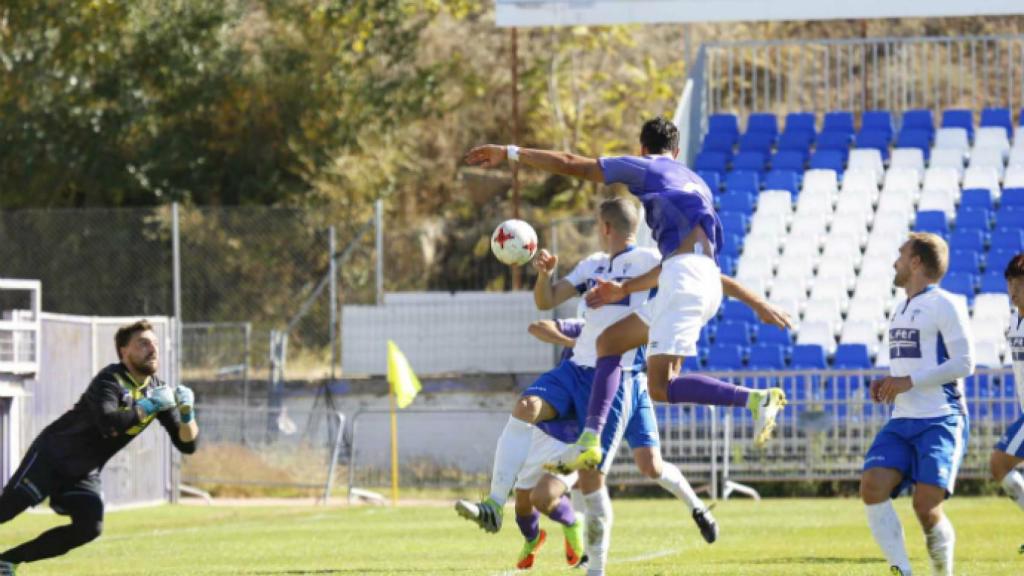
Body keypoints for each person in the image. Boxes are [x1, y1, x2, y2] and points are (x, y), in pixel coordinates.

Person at [456, 197, 773, 575]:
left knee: (625, 470)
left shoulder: (650, 260)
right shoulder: (590, 265)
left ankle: (605, 562)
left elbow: (708, 279)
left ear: (604, 226)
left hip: (617, 378)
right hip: (575, 370)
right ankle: (493, 504)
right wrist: (545, 276)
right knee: (525, 409)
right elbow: (547, 302)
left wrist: (756, 303)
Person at [464, 117, 792, 474]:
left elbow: (573, 163)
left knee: (661, 387)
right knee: (611, 343)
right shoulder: (696, 182)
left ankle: (756, 400)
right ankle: (589, 441)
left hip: (683, 281)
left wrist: (511, 153)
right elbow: (686, 263)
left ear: (642, 149)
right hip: (697, 280)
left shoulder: (646, 167)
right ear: (677, 152)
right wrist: (625, 289)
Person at [0, 320, 199, 575]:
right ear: (124, 351)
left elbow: (187, 444)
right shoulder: (110, 380)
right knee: (6, 510)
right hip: (52, 457)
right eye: (144, 344)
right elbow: (109, 424)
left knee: (89, 526)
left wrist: (187, 414)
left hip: (83, 471)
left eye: (156, 344)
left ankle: (7, 560)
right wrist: (148, 406)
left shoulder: (157, 391)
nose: (153, 349)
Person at [859, 234, 974, 576]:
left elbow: (965, 363)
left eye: (901, 254)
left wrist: (908, 382)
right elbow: (912, 367)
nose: (895, 262)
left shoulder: (946, 303)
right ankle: (902, 570)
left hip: (940, 419)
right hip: (902, 419)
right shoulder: (900, 307)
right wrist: (888, 382)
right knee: (872, 487)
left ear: (916, 262)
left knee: (925, 507)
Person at [988, 253, 1024, 555]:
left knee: (999, 463)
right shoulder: (1014, 319)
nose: (1014, 289)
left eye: (1020, 283)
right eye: (1010, 283)